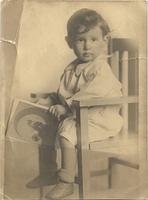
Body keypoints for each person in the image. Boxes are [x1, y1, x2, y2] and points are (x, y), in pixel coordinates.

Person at [31, 8, 123, 199]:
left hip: (99, 119)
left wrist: (66, 108)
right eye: (80, 40)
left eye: (93, 39)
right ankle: (50, 171)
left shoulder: (100, 68)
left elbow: (95, 93)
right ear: (69, 42)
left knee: (67, 132)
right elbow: (66, 92)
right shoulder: (72, 67)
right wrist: (49, 100)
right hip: (78, 114)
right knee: (46, 126)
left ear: (105, 41)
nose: (87, 46)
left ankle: (66, 182)